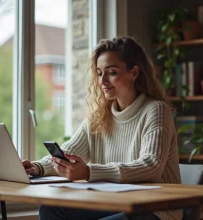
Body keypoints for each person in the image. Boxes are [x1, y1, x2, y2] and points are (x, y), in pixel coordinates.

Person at [22, 36, 182, 220]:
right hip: (113, 203)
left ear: (134, 72)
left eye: (111, 72)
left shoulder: (156, 110)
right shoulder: (100, 117)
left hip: (155, 210)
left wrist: (89, 172)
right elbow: (67, 153)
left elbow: (151, 165)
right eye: (99, 73)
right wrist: (36, 168)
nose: (102, 81)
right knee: (50, 208)